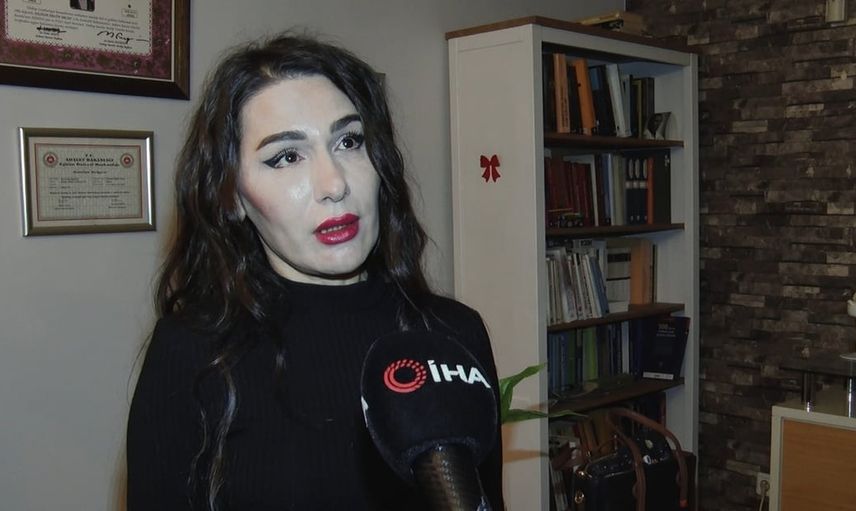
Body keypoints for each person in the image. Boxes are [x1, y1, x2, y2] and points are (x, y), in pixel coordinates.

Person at [126, 32, 504, 510]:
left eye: (349, 141)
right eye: (286, 156)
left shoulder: (454, 333)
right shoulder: (191, 351)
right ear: (230, 196)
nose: (334, 183)